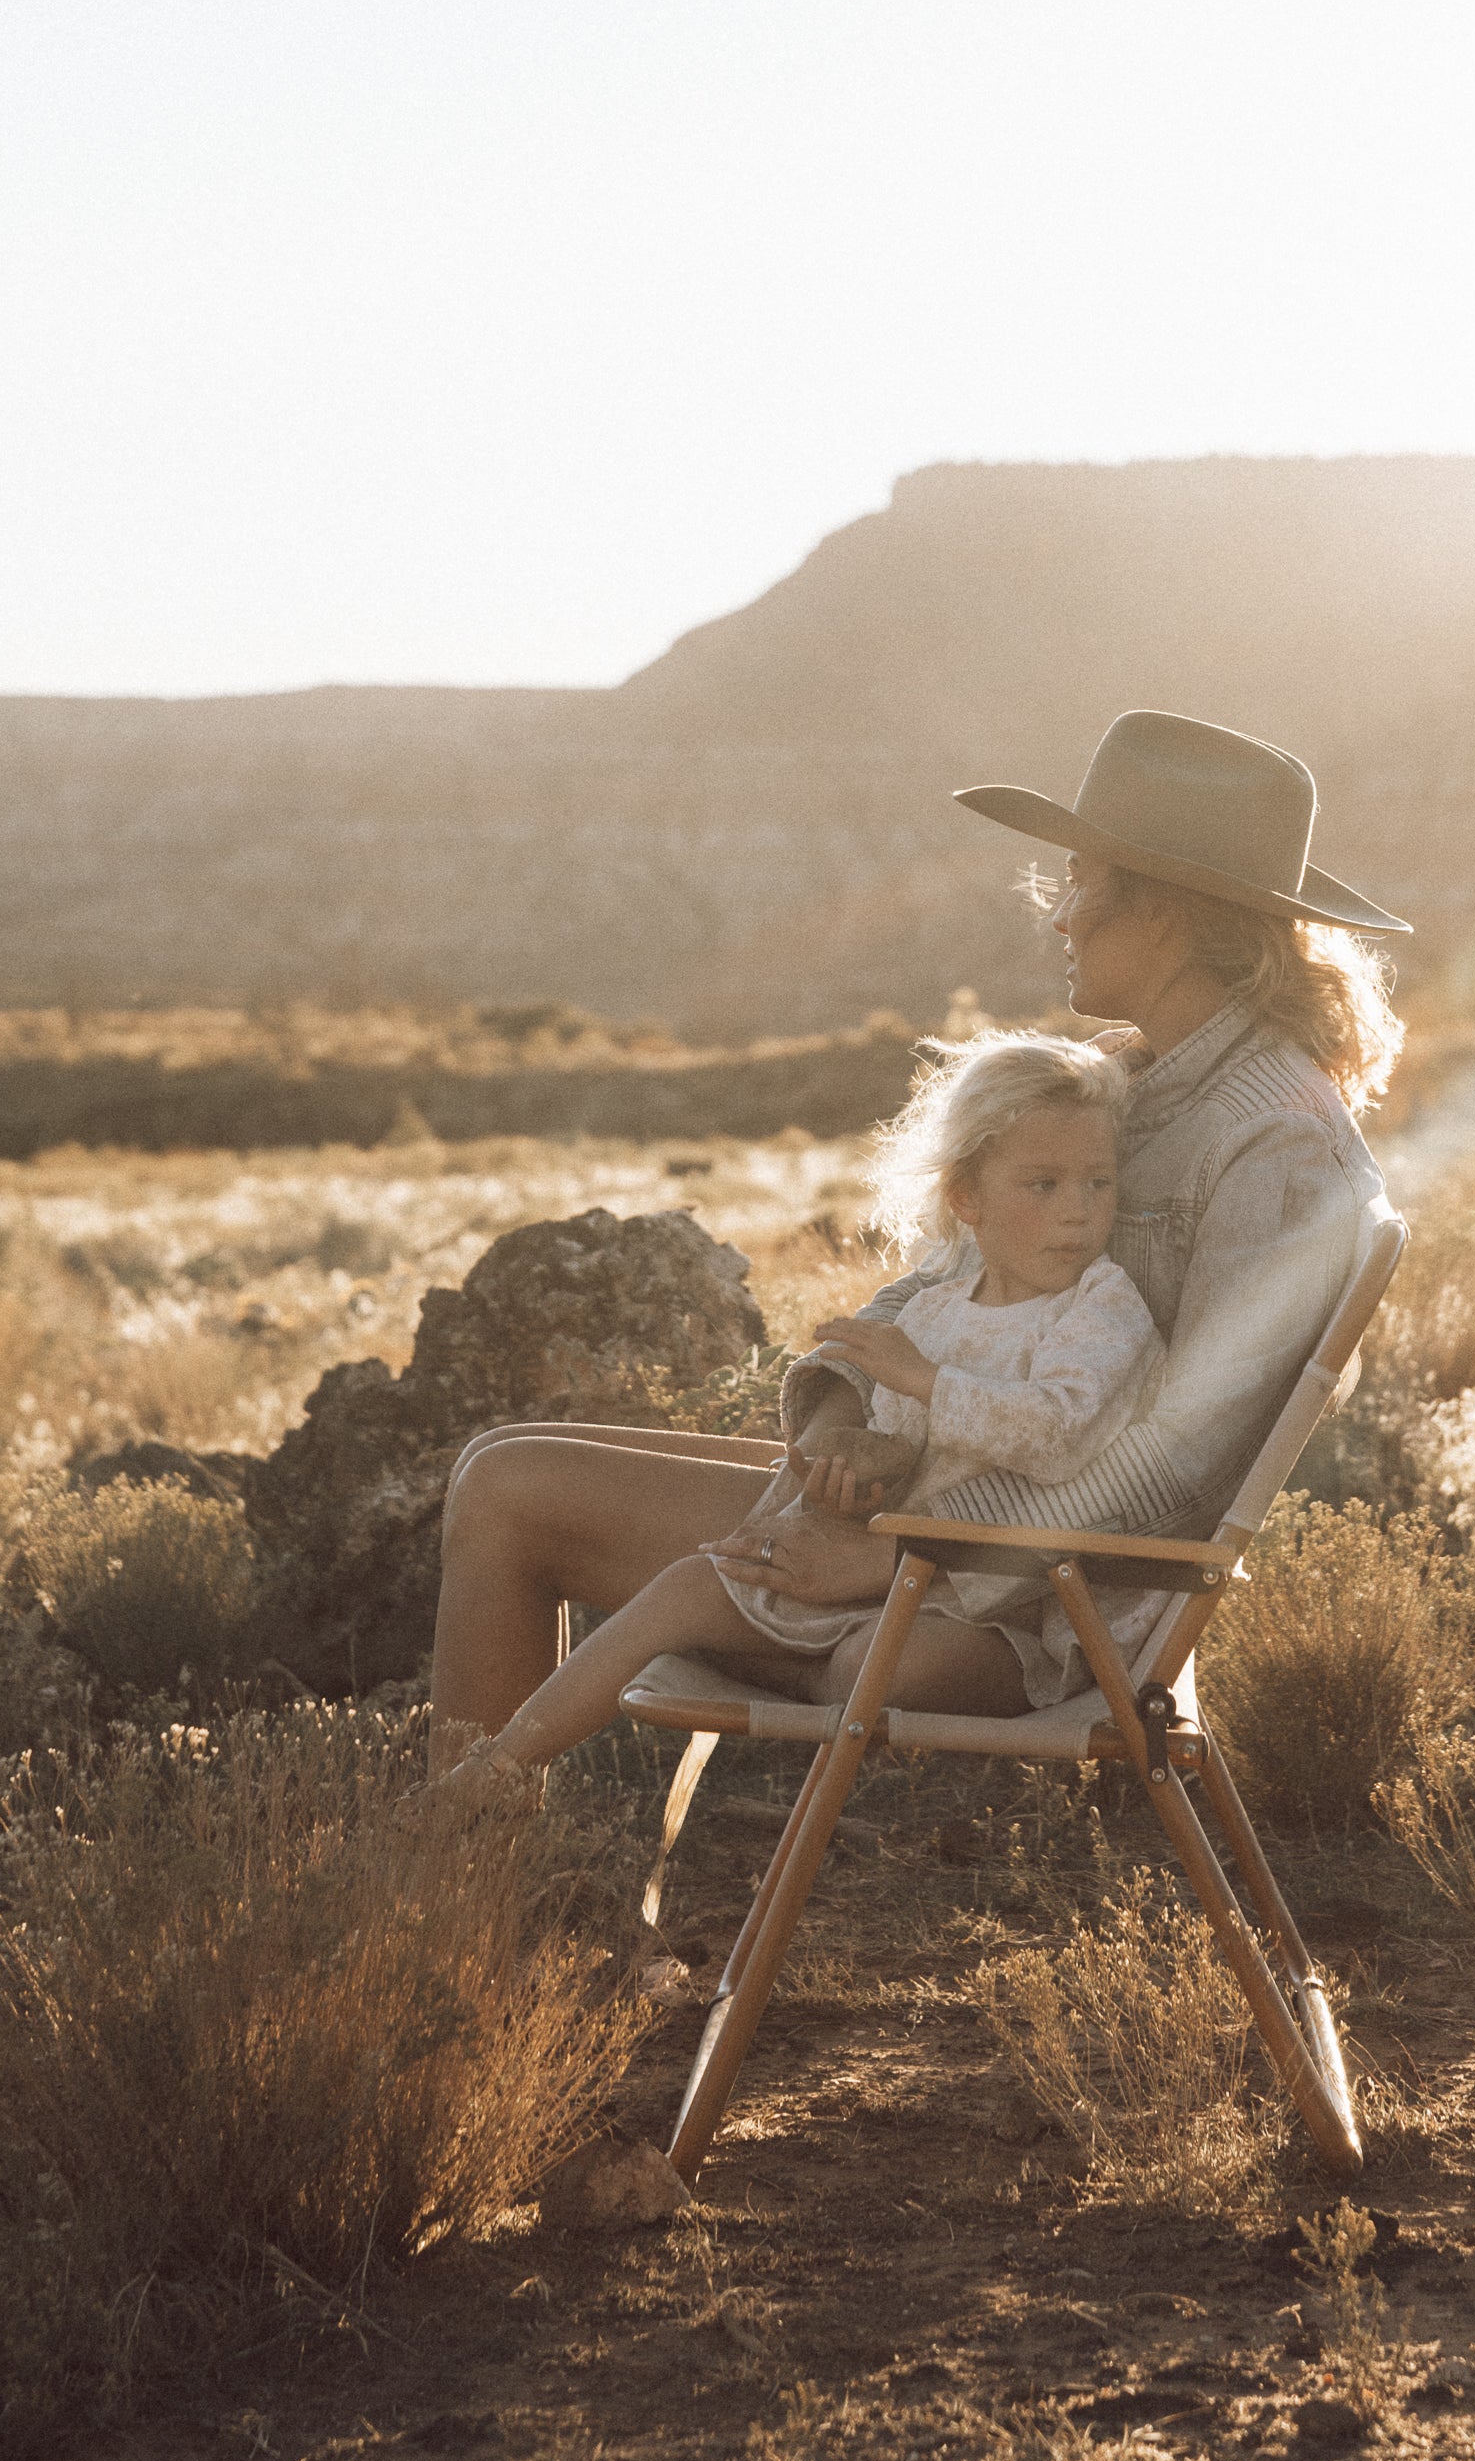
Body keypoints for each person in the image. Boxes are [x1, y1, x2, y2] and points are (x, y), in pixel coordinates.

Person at [429, 709, 1410, 1769]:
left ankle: (451, 1852)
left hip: (1032, 1593)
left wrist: (917, 1558)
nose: (1059, 918)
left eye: (1078, 881)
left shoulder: (1276, 1145)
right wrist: (839, 1420)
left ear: (1166, 916)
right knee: (497, 1471)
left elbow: (1178, 1462)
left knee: (515, 1501)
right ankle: (473, 1854)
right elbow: (938, 1283)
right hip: (928, 1506)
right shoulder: (1130, 1076)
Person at [439, 1034, 1163, 1790]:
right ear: (966, 1199)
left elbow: (1058, 1432)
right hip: (900, 1571)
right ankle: (481, 1781)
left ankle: (753, 1668)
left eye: (1099, 1184)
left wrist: (924, 1383)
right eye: (1044, 1185)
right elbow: (906, 1439)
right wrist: (855, 1470)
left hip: (1002, 1610)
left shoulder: (1101, 1305)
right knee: (691, 1579)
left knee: (876, 1667)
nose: (1079, 1212)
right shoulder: (939, 1309)